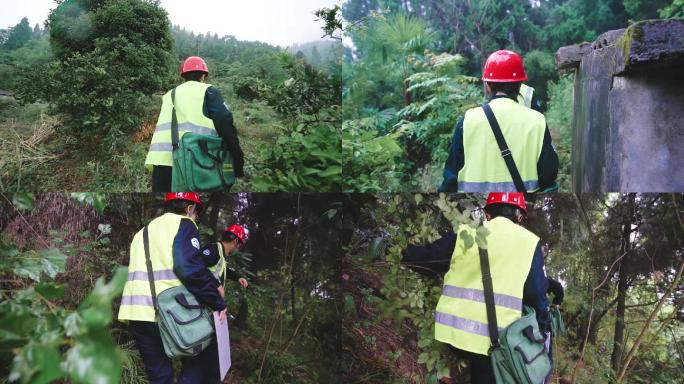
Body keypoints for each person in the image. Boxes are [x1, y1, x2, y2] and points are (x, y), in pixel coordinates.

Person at [402, 192, 551, 383]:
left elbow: (425, 260)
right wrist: (542, 331)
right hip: (495, 344)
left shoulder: (466, 234)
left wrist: (404, 252)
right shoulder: (530, 244)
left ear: (487, 214)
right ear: (520, 216)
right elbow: (537, 295)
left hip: (453, 336)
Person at [117, 193, 248, 384]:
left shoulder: (141, 233)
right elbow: (189, 268)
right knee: (201, 359)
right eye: (197, 214)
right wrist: (217, 302)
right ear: (189, 209)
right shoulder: (183, 223)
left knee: (160, 376)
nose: (196, 219)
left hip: (137, 314)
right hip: (170, 312)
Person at [439, 50, 558, 192]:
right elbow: (548, 175)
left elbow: (450, 180)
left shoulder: (467, 121)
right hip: (523, 210)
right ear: (520, 85)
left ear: (488, 85)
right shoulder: (537, 121)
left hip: (476, 211)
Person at [145, 56, 245, 192]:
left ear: (183, 76)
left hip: (162, 164)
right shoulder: (208, 91)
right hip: (195, 163)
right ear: (203, 76)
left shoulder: (169, 95)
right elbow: (225, 125)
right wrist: (237, 160)